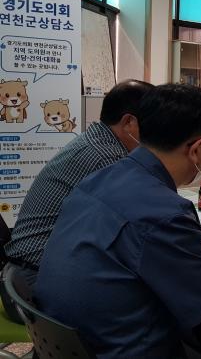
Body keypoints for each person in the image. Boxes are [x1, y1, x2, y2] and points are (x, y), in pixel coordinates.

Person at [34, 84, 201, 359]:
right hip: (124, 350)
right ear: (198, 148)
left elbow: (140, 250)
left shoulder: (100, 179)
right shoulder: (166, 212)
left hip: (72, 343)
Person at [1, 79, 153, 322]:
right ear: (129, 122)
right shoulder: (107, 157)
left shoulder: (96, 140)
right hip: (36, 282)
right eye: (154, 123)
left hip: (23, 274)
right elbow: (142, 231)